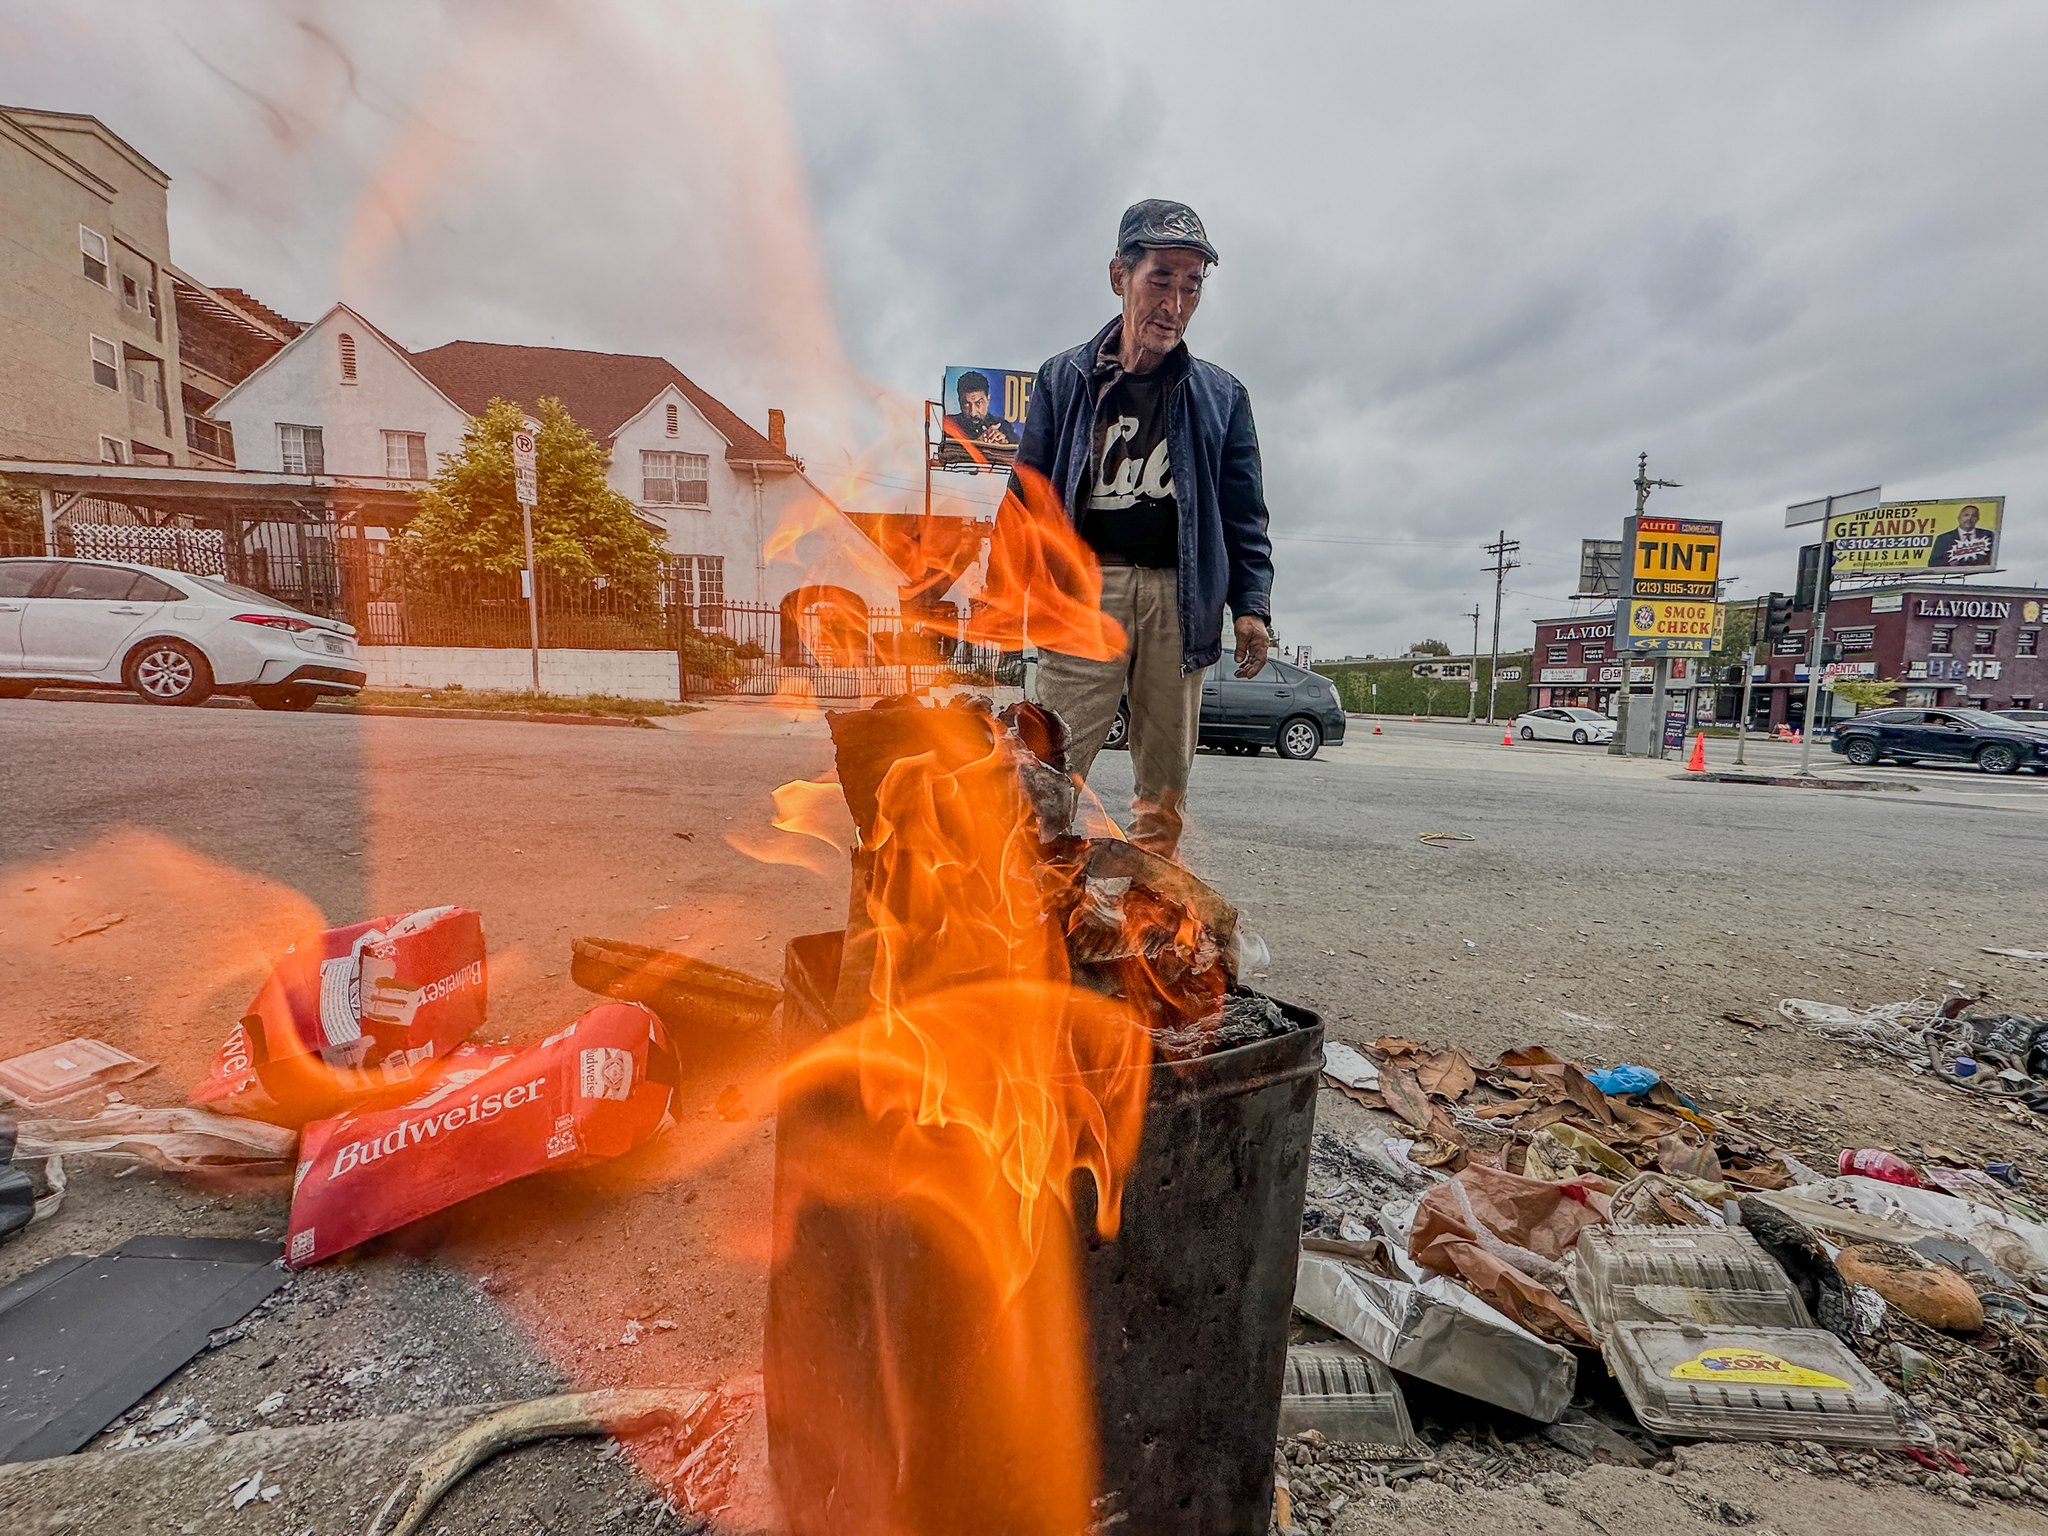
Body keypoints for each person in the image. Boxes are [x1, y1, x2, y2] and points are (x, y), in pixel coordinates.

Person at [1009, 198, 1273, 859]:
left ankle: (1153, 938)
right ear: (1118, 275)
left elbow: (1245, 513)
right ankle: (1026, 918)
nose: (1176, 302)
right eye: (1162, 278)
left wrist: (1252, 605)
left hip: (1181, 603)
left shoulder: (1222, 396)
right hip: (1084, 595)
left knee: (1162, 797)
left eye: (1193, 284)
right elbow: (1026, 496)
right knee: (1046, 778)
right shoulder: (1062, 379)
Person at [944, 371, 1015, 451]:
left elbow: (1020, 458)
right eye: (966, 404)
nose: (973, 413)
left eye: (978, 403)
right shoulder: (949, 425)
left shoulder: (1004, 427)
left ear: (988, 399)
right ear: (959, 402)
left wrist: (1004, 447)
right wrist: (978, 444)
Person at [1930, 504, 1994, 567]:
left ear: (1978, 519)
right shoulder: (1943, 538)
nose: (1969, 518)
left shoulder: (1988, 535)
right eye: (1966, 515)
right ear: (1959, 518)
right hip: (1953, 575)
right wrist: (1949, 564)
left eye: (1973, 516)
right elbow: (1932, 563)